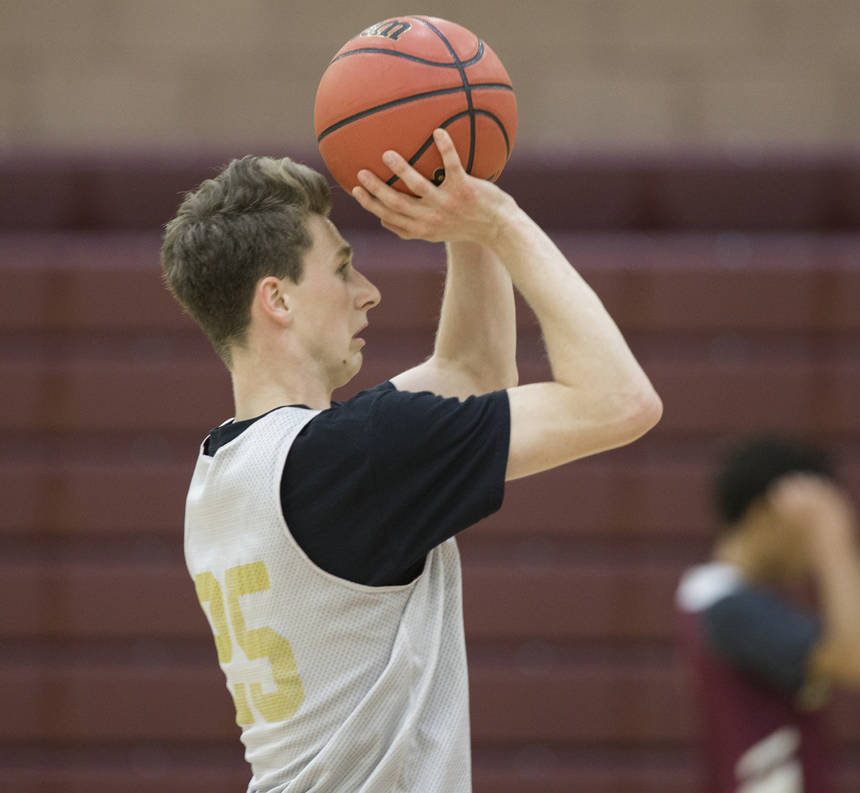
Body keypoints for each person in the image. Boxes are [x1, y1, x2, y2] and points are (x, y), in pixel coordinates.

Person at [160, 128, 661, 793]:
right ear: (276, 299)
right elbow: (621, 400)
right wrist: (501, 223)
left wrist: (462, 213)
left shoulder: (222, 469)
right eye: (341, 268)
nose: (367, 291)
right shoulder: (355, 455)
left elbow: (472, 368)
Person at [675, 436, 860, 793]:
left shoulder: (722, 601)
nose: (811, 544)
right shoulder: (731, 608)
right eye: (807, 521)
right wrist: (834, 538)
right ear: (765, 513)